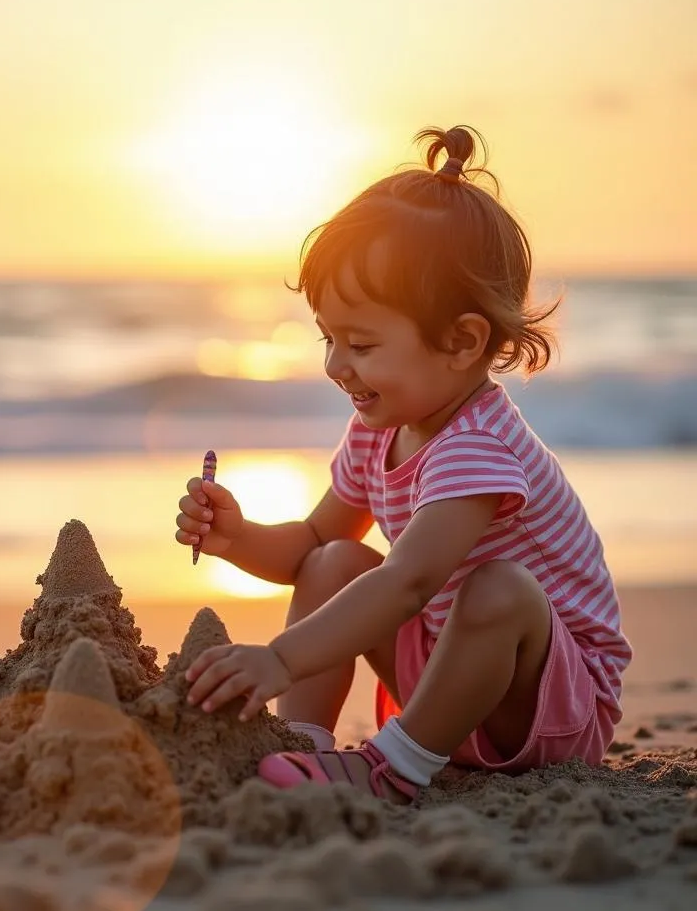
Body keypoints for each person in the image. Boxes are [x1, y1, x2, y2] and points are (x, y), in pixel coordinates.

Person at [174, 125, 632, 805]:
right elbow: (306, 547)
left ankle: (394, 769)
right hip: (452, 678)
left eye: (360, 343)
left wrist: (278, 658)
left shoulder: (478, 444)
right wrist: (236, 539)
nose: (335, 365)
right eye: (328, 338)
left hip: (546, 706)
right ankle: (303, 744)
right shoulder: (376, 431)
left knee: (501, 588)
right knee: (332, 559)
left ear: (461, 341)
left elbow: (410, 583)